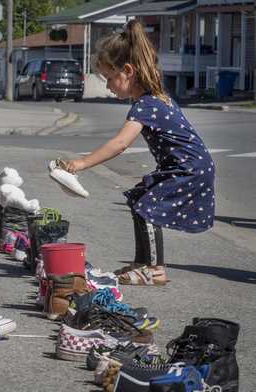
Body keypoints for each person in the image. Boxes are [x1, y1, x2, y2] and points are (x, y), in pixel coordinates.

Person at [65, 20, 215, 286]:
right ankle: (143, 262)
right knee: (139, 199)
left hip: (188, 168)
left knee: (147, 206)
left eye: (110, 78)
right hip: (189, 165)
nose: (109, 86)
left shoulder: (145, 105)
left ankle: (155, 270)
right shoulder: (155, 97)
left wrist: (81, 164)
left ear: (128, 71)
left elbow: (120, 144)